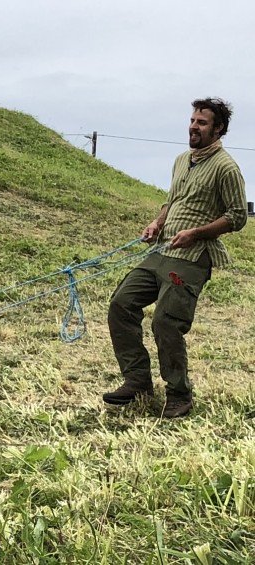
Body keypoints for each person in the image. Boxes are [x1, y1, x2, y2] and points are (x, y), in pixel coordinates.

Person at [103, 97, 247, 418]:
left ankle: (179, 395)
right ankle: (138, 380)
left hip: (193, 256)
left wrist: (195, 233)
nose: (194, 126)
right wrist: (158, 222)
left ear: (218, 128)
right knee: (121, 304)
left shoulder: (226, 168)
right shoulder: (182, 159)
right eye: (193, 120)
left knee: (165, 322)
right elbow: (172, 202)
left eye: (202, 122)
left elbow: (237, 216)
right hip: (162, 250)